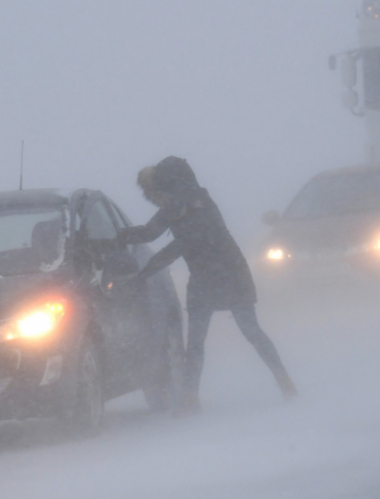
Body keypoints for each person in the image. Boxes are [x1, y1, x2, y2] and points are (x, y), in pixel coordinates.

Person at [118, 156, 297, 411]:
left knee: (204, 341)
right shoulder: (188, 200)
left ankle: (193, 395)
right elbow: (151, 233)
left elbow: (175, 243)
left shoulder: (185, 203)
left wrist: (143, 270)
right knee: (244, 332)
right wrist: (120, 236)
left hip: (219, 274)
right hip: (221, 273)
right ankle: (282, 381)